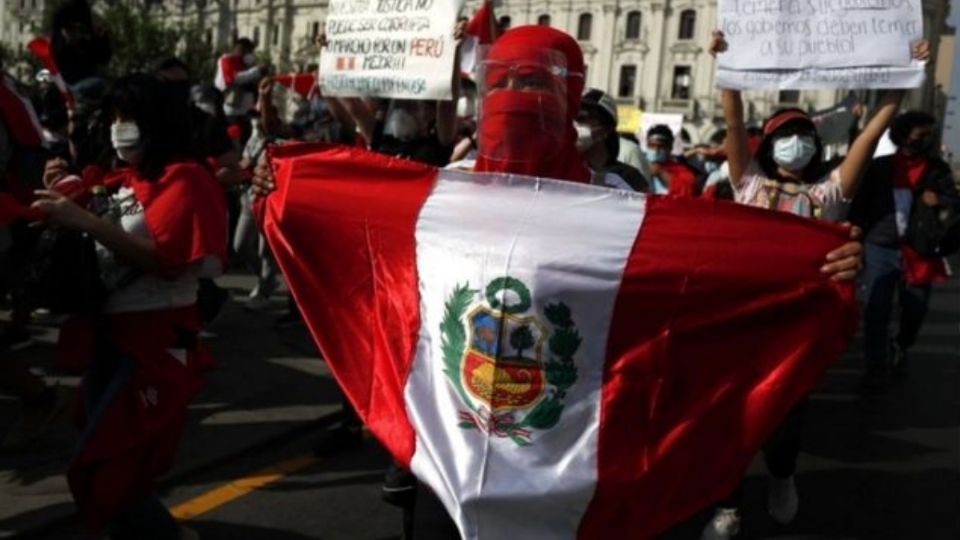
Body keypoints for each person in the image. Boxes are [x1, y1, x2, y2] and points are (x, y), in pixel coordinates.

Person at [253, 25, 864, 540]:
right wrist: (281, 189)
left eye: (536, 83)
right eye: (503, 82)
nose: (516, 96)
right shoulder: (441, 192)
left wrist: (811, 266)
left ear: (569, 96)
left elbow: (708, 273)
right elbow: (356, 239)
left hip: (573, 470)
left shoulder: (617, 206)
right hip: (448, 464)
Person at [704, 30, 927, 540]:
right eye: (785, 133)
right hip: (742, 320)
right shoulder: (749, 185)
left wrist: (903, 80)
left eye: (803, 133)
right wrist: (726, 64)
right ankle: (728, 505)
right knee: (729, 419)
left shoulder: (829, 193)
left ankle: (782, 475)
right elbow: (734, 121)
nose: (796, 142)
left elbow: (869, 138)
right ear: (769, 144)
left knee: (784, 414)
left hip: (798, 325)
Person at [32, 74, 226, 540]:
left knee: (112, 468)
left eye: (130, 118)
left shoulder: (186, 180)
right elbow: (88, 203)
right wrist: (62, 187)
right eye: (115, 118)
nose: (120, 128)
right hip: (111, 339)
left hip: (155, 345)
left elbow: (168, 264)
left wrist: (86, 221)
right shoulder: (122, 176)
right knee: (108, 460)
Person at [850, 111, 959, 386]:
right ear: (904, 134)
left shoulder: (938, 170)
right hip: (881, 246)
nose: (926, 139)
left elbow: (955, 204)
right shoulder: (880, 167)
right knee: (877, 307)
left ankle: (900, 344)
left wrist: (940, 201)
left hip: (919, 251)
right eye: (921, 134)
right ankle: (876, 363)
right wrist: (856, 236)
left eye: (930, 134)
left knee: (916, 307)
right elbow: (861, 204)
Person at [576, 88, 647, 191]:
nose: (574, 125)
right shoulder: (562, 169)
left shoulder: (629, 178)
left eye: (581, 117)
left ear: (606, 129)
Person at [214, 37, 266, 137]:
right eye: (249, 52)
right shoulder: (226, 60)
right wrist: (256, 70)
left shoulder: (244, 64)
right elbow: (233, 79)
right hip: (231, 111)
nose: (250, 55)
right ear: (240, 49)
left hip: (245, 112)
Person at [645, 124, 702, 196]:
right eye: (652, 145)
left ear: (670, 148)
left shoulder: (681, 170)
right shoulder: (639, 164)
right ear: (647, 145)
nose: (656, 150)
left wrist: (661, 173)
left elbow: (688, 190)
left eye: (661, 146)